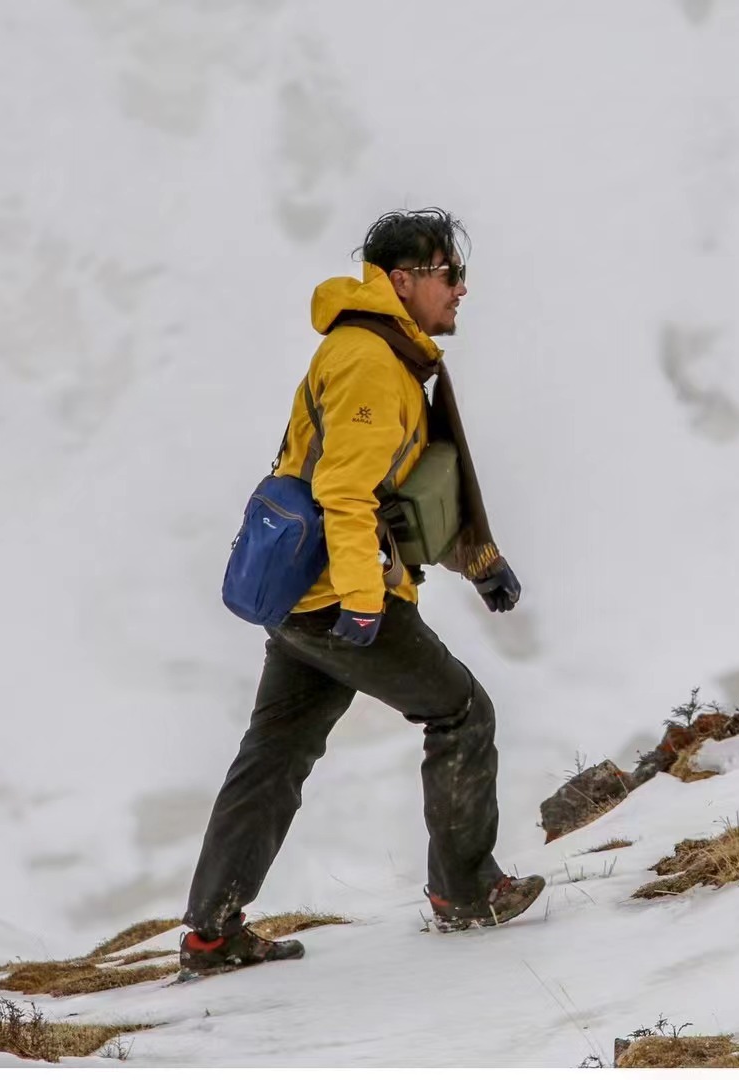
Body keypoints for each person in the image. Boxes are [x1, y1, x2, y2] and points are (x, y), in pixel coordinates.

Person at [179, 209, 542, 975]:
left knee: (274, 755)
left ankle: (212, 935)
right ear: (402, 280)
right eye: (449, 275)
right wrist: (363, 604)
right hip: (338, 598)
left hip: (303, 600)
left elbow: (409, 488)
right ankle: (466, 893)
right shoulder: (373, 361)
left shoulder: (380, 352)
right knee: (461, 711)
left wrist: (479, 562)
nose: (462, 290)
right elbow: (346, 492)